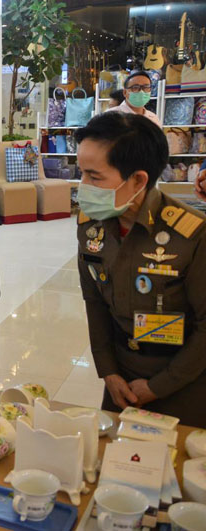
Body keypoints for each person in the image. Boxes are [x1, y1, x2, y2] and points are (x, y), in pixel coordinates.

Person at [75, 112, 206, 427]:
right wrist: (108, 371)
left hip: (183, 380)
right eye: (81, 174)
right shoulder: (91, 229)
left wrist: (158, 386)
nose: (82, 187)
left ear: (138, 180)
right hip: (120, 378)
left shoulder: (192, 235)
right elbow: (95, 304)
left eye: (94, 177)